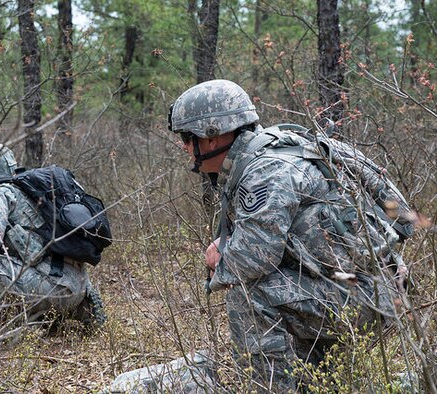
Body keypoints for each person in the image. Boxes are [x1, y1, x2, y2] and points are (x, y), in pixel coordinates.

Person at [169, 80, 404, 391]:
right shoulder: (277, 146)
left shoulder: (266, 170)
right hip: (364, 289)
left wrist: (221, 260)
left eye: (187, 138)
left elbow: (254, 258)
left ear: (212, 137)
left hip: (364, 297)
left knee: (250, 296)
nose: (185, 147)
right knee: (284, 296)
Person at [0, 141, 106, 329]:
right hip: (76, 285)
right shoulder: (28, 189)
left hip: (51, 290)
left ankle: (3, 325)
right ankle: (79, 308)